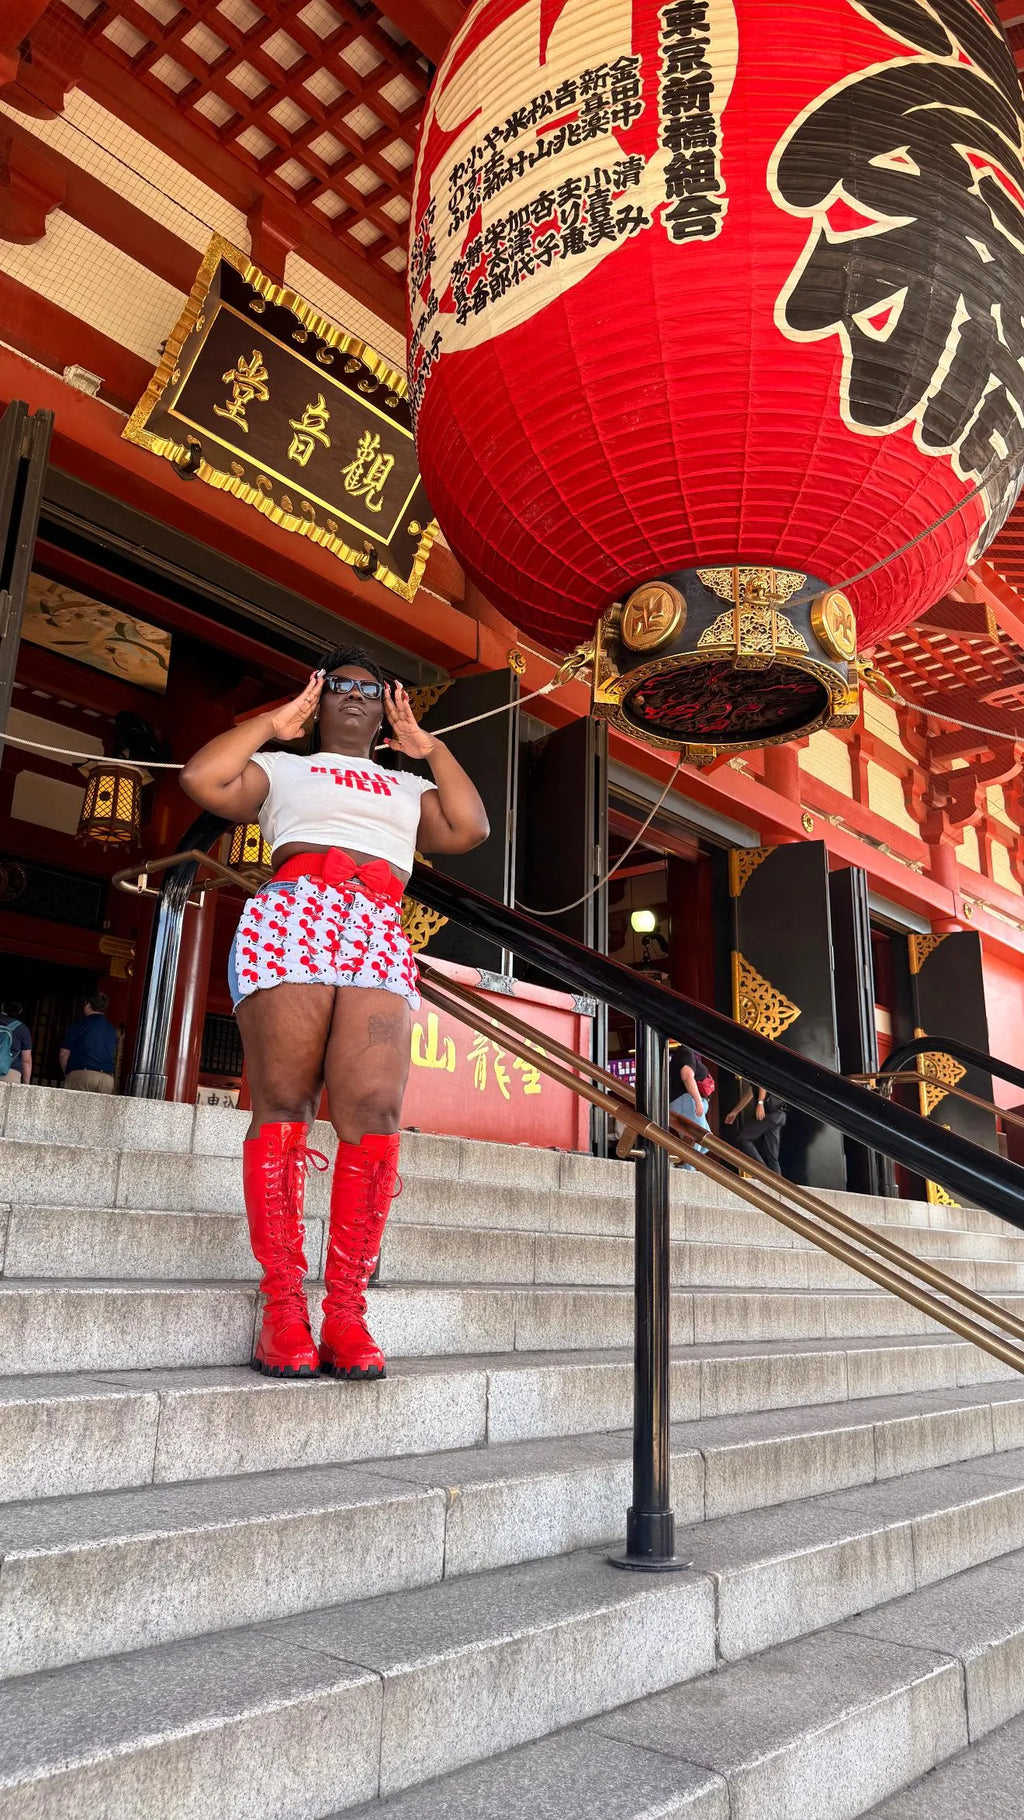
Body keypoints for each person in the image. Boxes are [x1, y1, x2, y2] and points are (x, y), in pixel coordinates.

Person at [181, 646, 489, 1382]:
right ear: (318, 700)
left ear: (389, 708)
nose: (354, 696)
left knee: (376, 1109)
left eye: (369, 689)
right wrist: (273, 723)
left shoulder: (407, 784)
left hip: (378, 927)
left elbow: (470, 827)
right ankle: (283, 1308)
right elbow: (202, 777)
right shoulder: (284, 769)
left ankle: (346, 1311)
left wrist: (432, 746)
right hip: (294, 915)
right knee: (283, 1102)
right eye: (339, 687)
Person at [724, 1082, 787, 1175]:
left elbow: (762, 1083)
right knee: (772, 1157)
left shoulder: (759, 1070)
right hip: (779, 1115)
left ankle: (763, 1173)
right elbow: (750, 1093)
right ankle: (779, 1186)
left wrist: (760, 1103)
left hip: (769, 1113)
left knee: (743, 1138)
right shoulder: (755, 1079)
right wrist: (735, 1112)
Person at [60, 993, 118, 1093]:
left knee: (74, 1107)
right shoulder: (111, 1029)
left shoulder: (80, 1024)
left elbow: (64, 1053)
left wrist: (68, 1073)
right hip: (107, 1078)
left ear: (88, 1005)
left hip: (83, 1073)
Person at [668, 1042, 711, 1168]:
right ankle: (685, 1173)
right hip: (686, 1102)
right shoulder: (685, 1052)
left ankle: (679, 1166)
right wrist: (698, 1101)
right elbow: (687, 1076)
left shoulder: (688, 1053)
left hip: (685, 1102)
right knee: (695, 1144)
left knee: (706, 1143)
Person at [0, 1001, 32, 1085]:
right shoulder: (22, 1029)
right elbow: (26, 1059)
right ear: (20, 1011)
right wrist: (26, 1083)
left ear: (3, 1007)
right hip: (9, 1073)